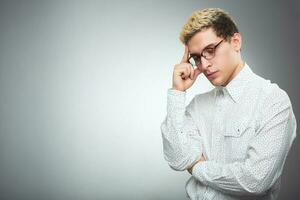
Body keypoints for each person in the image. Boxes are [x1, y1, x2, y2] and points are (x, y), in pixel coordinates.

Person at [160, 8, 297, 200]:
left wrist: (198, 167)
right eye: (197, 57)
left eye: (210, 50)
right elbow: (177, 158)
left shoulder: (272, 101)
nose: (204, 65)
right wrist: (177, 92)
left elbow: (255, 180)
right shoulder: (198, 105)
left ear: (235, 42)